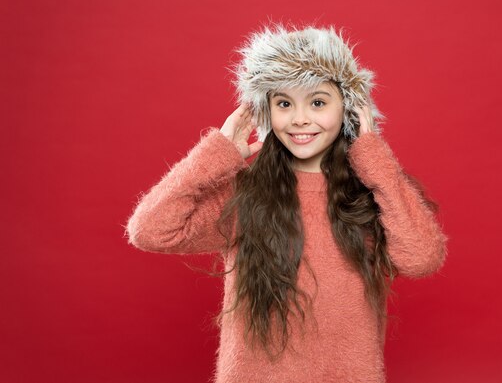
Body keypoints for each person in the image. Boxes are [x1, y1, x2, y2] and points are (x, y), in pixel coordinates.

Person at [124, 22, 449, 383]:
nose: (299, 119)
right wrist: (216, 154)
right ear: (267, 112)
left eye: (318, 102)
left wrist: (374, 160)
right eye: (283, 103)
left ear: (349, 110)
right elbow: (150, 231)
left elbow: (422, 258)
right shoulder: (244, 194)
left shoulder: (371, 195)